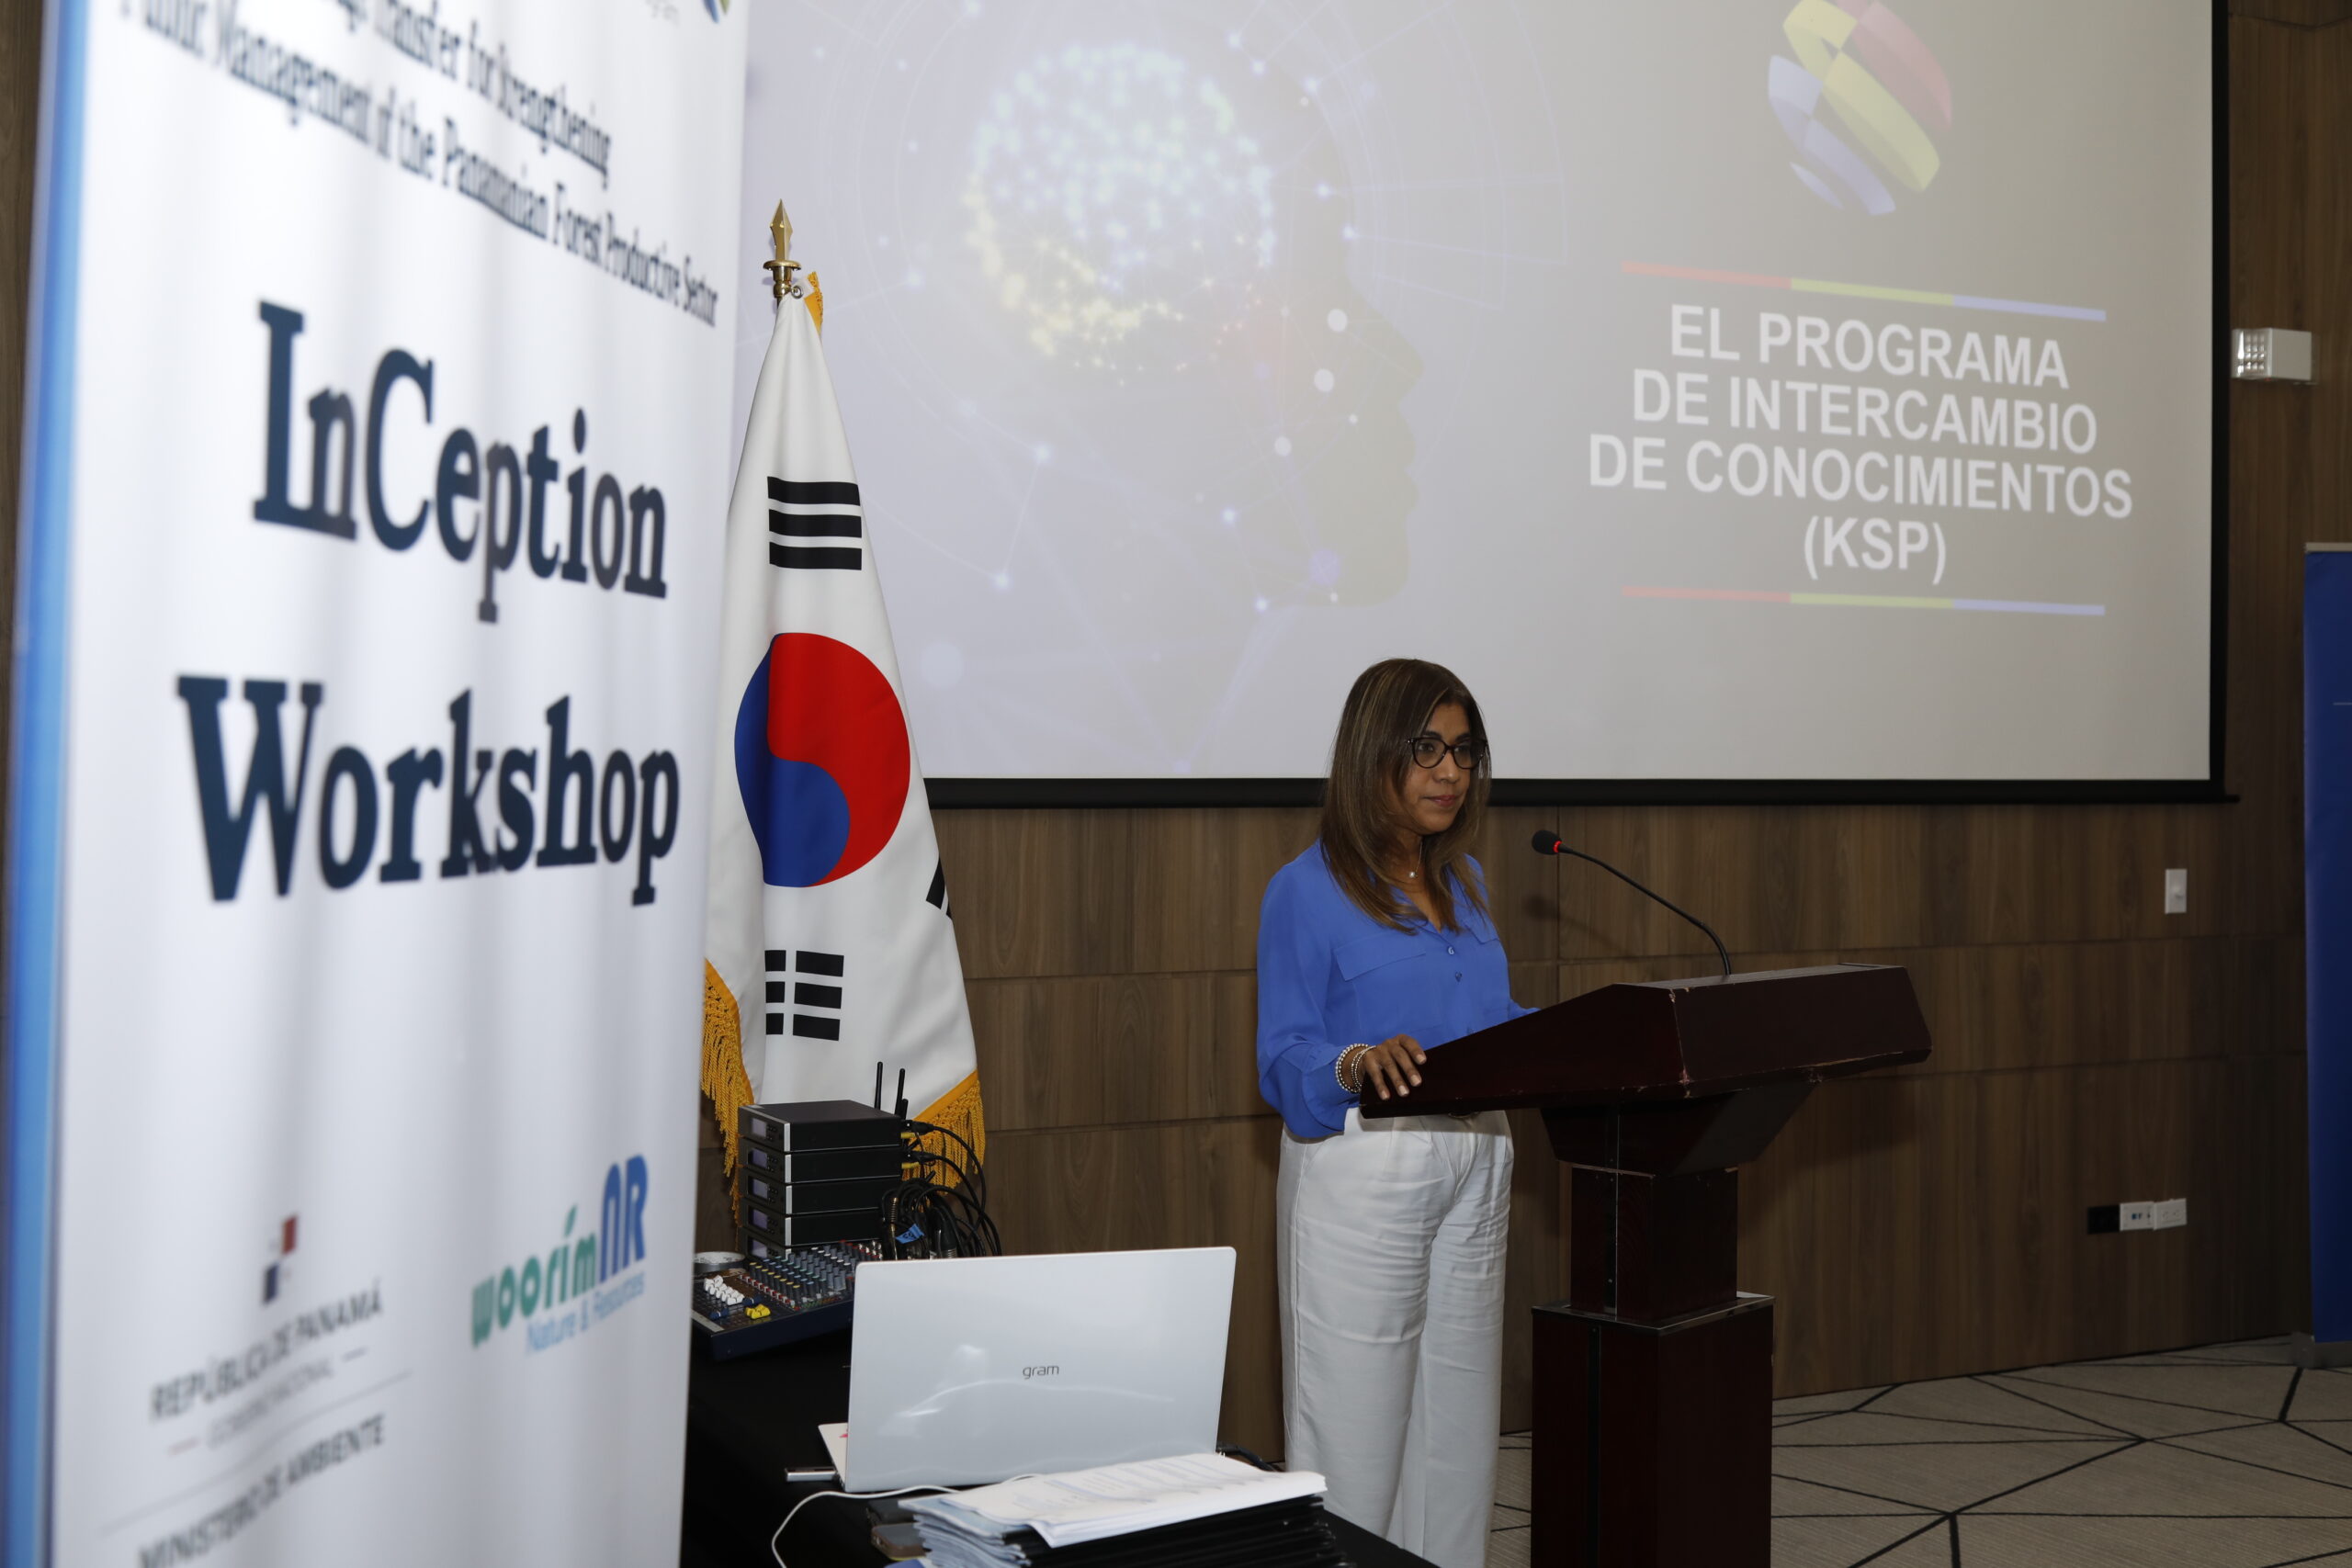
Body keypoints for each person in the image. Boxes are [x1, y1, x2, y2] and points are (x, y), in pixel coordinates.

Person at [1256, 657, 1529, 1568]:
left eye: (1463, 751)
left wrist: (1586, 1037)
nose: (1450, 772)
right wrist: (1355, 1061)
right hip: (1368, 1166)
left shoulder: (1467, 882)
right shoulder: (1305, 889)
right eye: (1426, 749)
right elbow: (1283, 1053)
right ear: (1372, 754)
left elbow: (1492, 1024)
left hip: (1478, 1159)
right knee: (1353, 1435)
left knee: (1457, 1433)